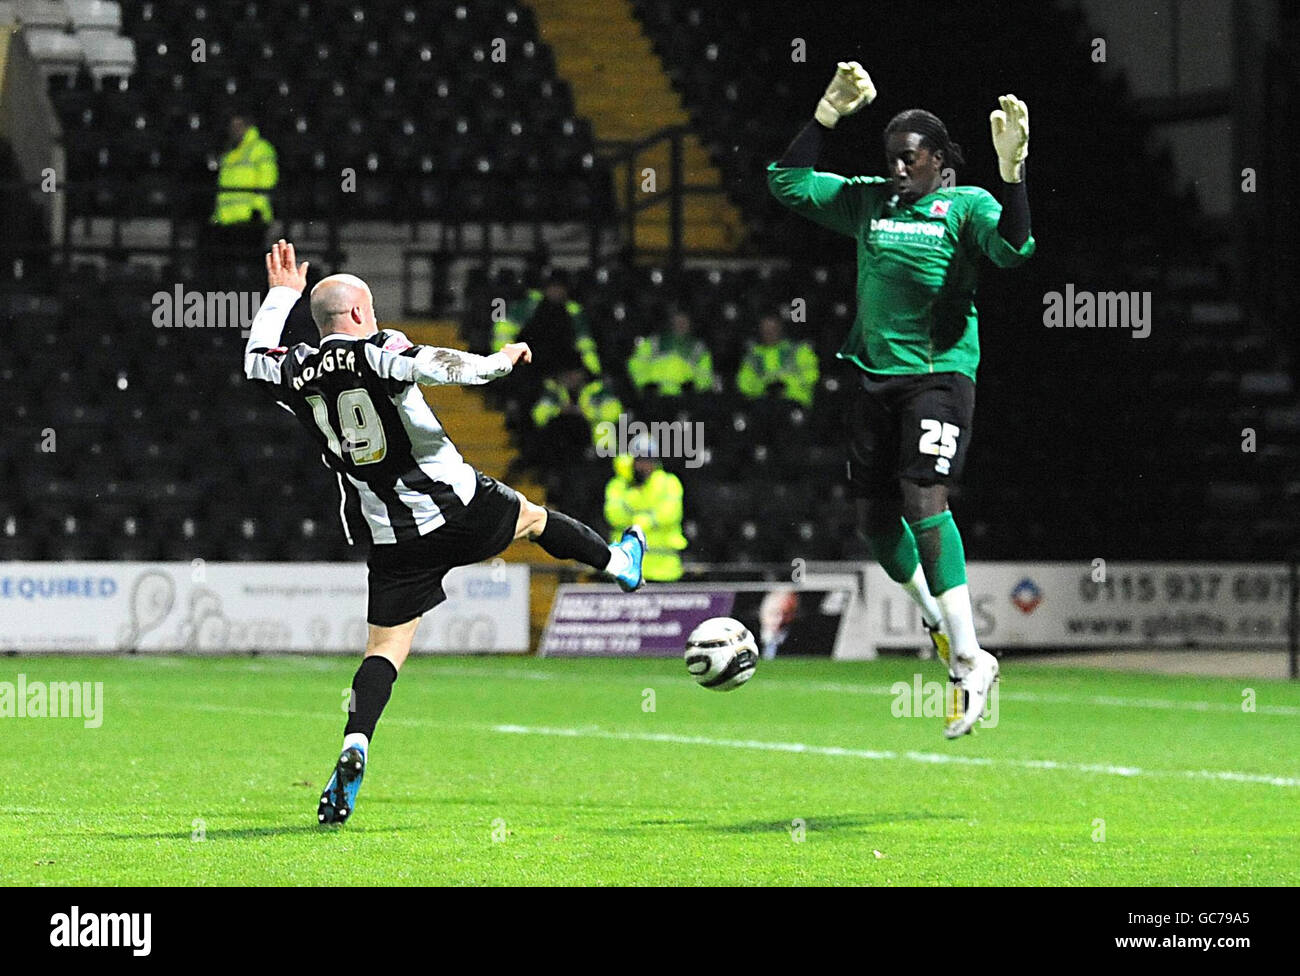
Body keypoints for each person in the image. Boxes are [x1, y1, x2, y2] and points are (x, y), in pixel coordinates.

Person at [243, 240, 647, 824]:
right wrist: (502, 361)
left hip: (388, 533)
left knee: (386, 648)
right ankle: (617, 564)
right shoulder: (379, 350)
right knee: (533, 519)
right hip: (455, 506)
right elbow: (441, 365)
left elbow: (255, 357)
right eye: (372, 309)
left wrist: (280, 296)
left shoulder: (292, 370)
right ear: (357, 315)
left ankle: (357, 740)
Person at [767, 62, 1035, 738]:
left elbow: (1015, 249)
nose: (896, 171)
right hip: (872, 374)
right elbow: (786, 182)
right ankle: (941, 629)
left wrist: (1013, 173)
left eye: (908, 160)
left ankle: (971, 657)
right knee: (877, 526)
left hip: (939, 374)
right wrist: (827, 112)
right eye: (889, 159)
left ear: (939, 161)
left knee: (923, 500)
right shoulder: (869, 201)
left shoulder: (967, 204)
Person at [604, 437, 687, 582]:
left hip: (664, 568)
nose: (644, 465)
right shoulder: (618, 485)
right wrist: (634, 493)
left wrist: (640, 519)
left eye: (649, 460)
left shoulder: (669, 482)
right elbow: (613, 515)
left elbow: (671, 513)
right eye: (640, 460)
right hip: (626, 569)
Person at [207, 113, 278, 267]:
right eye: (232, 126)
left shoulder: (260, 148)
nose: (235, 130)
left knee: (249, 266)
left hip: (250, 219)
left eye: (239, 126)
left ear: (249, 127)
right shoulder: (230, 152)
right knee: (228, 268)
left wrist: (257, 209)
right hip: (226, 220)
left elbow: (267, 180)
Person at [734, 313, 819, 408]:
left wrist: (785, 386)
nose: (769, 333)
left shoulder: (799, 350)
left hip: (794, 402)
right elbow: (744, 384)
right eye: (765, 329)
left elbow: (812, 376)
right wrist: (766, 388)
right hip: (763, 404)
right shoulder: (753, 355)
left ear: (780, 328)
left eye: (773, 329)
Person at [627, 308, 715, 397]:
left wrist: (695, 386)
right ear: (670, 322)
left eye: (684, 320)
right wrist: (645, 384)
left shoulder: (698, 348)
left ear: (690, 323)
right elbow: (636, 365)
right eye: (677, 320)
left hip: (684, 399)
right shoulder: (654, 342)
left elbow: (706, 375)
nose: (680, 324)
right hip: (655, 397)